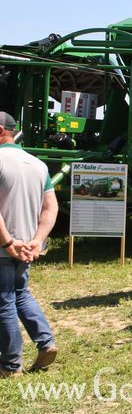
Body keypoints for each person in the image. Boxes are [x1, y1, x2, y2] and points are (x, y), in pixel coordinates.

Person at [0, 112, 58, 377]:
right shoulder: (38, 165)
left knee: (4, 301)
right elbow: (50, 207)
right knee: (21, 294)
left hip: (6, 245)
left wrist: (8, 242)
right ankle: (46, 342)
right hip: (27, 245)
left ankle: (11, 365)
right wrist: (37, 240)